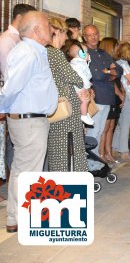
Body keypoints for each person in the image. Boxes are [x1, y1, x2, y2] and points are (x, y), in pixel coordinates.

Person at [0, 11, 58, 233]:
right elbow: (11, 87)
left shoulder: (34, 51)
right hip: (29, 122)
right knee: (28, 173)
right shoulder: (28, 53)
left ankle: (16, 217)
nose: (51, 29)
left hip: (30, 120)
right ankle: (23, 219)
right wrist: (3, 108)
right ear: (36, 30)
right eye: (47, 25)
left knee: (22, 170)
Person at [0, 3, 36, 206]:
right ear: (20, 17)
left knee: (17, 154)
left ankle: (20, 198)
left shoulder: (19, 41)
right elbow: (10, 77)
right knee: (18, 157)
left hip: (20, 104)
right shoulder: (7, 40)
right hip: (16, 105)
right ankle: (17, 201)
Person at [46, 19, 88, 173]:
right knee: (68, 148)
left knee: (58, 148)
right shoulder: (55, 53)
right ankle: (68, 186)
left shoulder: (45, 52)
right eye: (65, 33)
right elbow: (74, 77)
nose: (66, 38)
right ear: (58, 32)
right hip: (65, 109)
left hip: (55, 105)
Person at [82, 25, 123, 160]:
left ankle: (95, 162)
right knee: (93, 132)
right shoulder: (84, 52)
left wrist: (108, 71)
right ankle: (90, 164)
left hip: (107, 97)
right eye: (90, 35)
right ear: (84, 37)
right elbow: (96, 75)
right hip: (95, 98)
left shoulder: (104, 53)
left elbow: (119, 71)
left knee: (100, 131)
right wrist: (109, 71)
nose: (93, 37)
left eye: (95, 34)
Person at [112, 42, 130, 162]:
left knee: (120, 123)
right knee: (125, 123)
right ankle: (124, 151)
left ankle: (115, 147)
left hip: (126, 95)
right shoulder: (123, 64)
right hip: (128, 95)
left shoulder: (120, 63)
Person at [65, 36, 94, 125]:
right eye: (87, 52)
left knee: (86, 100)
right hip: (79, 87)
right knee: (85, 99)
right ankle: (84, 115)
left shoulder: (79, 63)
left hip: (79, 86)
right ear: (81, 54)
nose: (88, 54)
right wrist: (88, 86)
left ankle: (85, 113)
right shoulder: (78, 64)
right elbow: (82, 78)